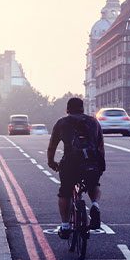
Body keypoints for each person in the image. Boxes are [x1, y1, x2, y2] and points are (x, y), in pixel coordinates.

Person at [47, 96, 105, 236]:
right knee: (93, 184)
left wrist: (51, 162)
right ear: (83, 108)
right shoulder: (93, 122)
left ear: (67, 109)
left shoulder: (61, 123)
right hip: (91, 163)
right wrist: (101, 165)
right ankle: (95, 205)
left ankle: (65, 226)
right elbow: (100, 146)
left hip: (70, 164)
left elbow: (52, 146)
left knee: (65, 192)